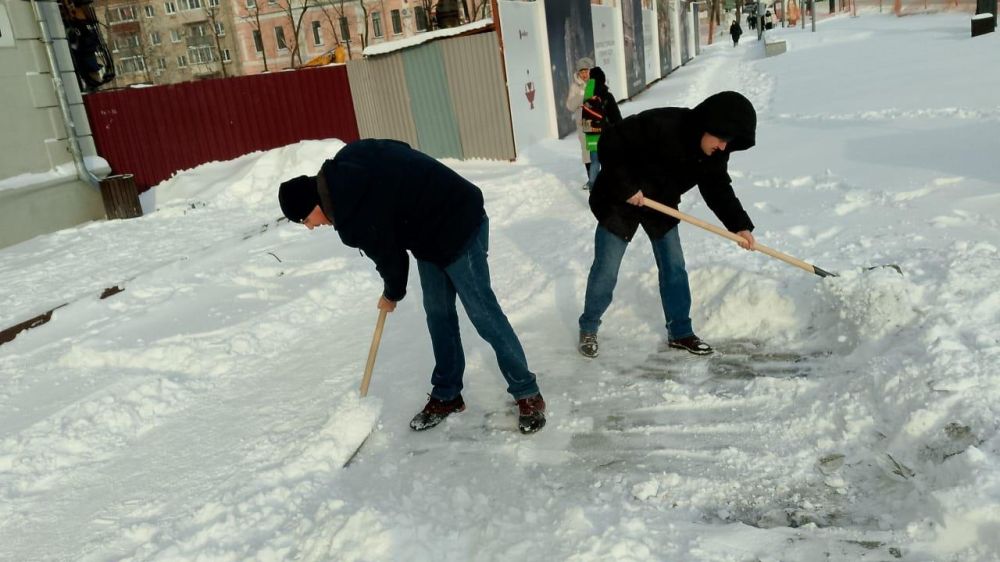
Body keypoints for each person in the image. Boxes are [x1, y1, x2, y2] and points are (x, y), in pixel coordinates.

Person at [278, 139, 546, 434]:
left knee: (483, 314)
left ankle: (527, 392)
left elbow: (392, 259)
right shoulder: (349, 156)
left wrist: (391, 294)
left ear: (314, 204)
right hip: (428, 234)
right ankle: (447, 394)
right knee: (438, 314)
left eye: (305, 219)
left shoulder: (353, 216)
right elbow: (399, 145)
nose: (310, 226)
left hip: (459, 221)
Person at [577, 91, 758, 359]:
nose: (722, 146)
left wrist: (739, 225)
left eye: (728, 142)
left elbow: (718, 188)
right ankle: (589, 327)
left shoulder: (714, 155)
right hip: (620, 197)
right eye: (721, 138)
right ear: (709, 125)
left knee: (674, 266)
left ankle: (681, 332)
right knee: (606, 268)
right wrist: (627, 187)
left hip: (660, 202)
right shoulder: (663, 123)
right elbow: (610, 141)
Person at [580, 66, 622, 191]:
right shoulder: (607, 96)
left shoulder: (587, 95)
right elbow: (616, 117)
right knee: (608, 163)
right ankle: (609, 190)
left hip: (591, 135)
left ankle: (593, 190)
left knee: (594, 163)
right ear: (603, 80)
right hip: (606, 135)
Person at [565, 57, 595, 187]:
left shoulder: (595, 83)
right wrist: (582, 97)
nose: (584, 74)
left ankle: (603, 179)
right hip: (583, 125)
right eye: (582, 71)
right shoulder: (575, 87)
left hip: (597, 123)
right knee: (587, 153)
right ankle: (592, 180)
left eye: (586, 71)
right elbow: (570, 106)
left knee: (600, 151)